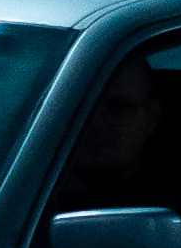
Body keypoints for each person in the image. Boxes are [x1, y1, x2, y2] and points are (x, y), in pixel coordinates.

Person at [52, 52, 165, 212]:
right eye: (85, 108)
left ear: (151, 117)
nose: (97, 123)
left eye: (118, 108)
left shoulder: (172, 206)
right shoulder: (25, 197)